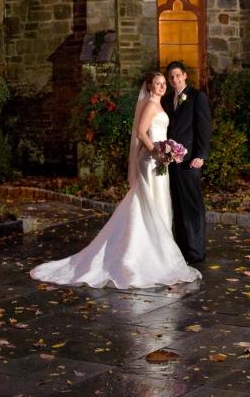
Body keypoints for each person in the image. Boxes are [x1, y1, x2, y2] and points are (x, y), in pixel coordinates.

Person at [30, 72, 201, 290]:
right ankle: (138, 255)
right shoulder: (150, 105)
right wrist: (157, 152)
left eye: (162, 84)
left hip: (160, 159)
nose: (161, 87)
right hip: (150, 160)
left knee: (156, 202)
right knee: (148, 202)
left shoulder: (159, 105)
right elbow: (141, 133)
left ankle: (157, 252)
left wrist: (168, 151)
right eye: (157, 84)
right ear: (149, 87)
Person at [163, 61, 211, 264]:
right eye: (171, 77)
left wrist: (200, 154)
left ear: (184, 75)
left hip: (190, 159)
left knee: (192, 206)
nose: (174, 79)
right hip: (172, 161)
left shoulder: (196, 97)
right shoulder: (167, 100)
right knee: (179, 205)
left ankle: (197, 251)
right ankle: (183, 250)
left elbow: (204, 127)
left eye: (177, 75)